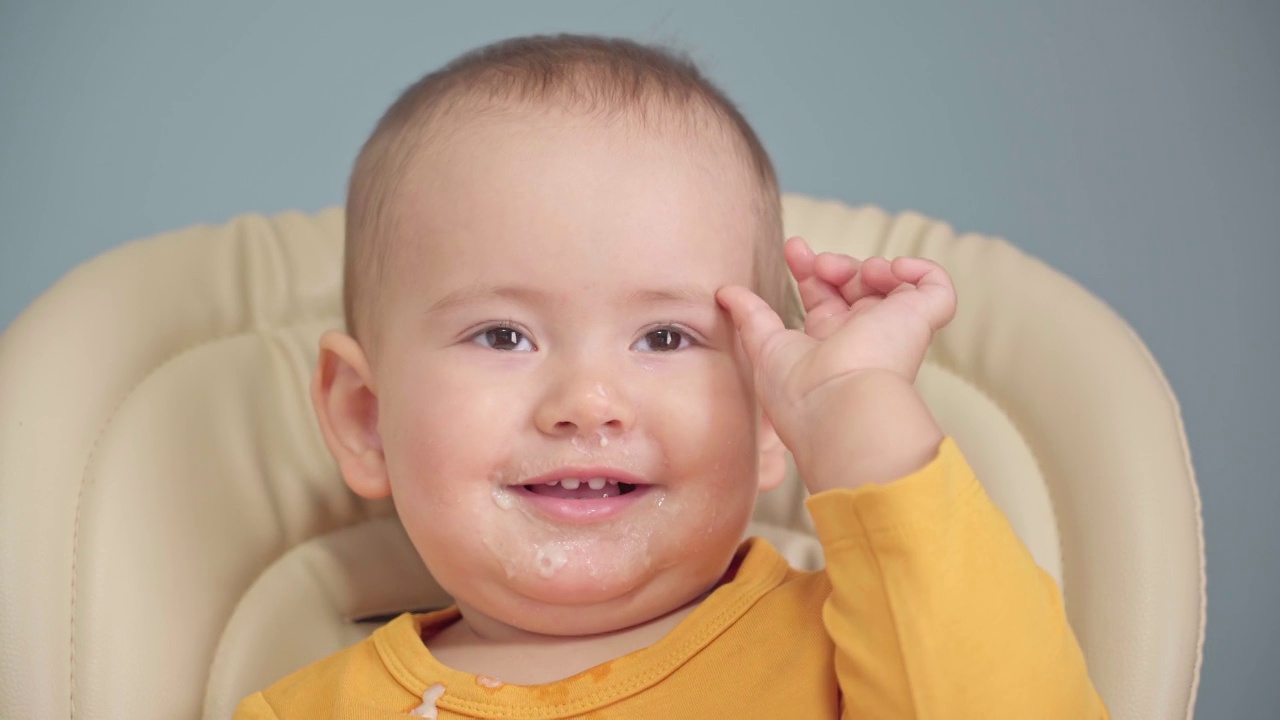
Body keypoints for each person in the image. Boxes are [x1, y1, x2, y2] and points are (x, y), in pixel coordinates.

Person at [235, 34, 1108, 719]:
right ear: (363, 419)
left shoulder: (856, 650)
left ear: (768, 417)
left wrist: (858, 421)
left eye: (663, 337)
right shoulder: (302, 711)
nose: (587, 403)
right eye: (502, 335)